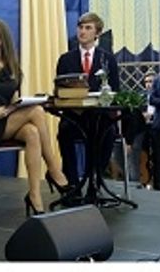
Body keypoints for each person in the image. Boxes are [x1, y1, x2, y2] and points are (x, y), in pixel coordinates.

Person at [0, 18, 73, 215]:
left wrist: (25, 103)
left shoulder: (13, 67)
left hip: (8, 119)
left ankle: (34, 196)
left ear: (3, 36)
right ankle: (55, 170)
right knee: (37, 112)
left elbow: (13, 101)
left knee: (32, 132)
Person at [54, 12, 120, 188]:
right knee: (64, 130)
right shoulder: (65, 59)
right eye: (80, 27)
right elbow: (60, 90)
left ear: (97, 33)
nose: (82, 31)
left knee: (109, 132)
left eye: (88, 28)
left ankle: (95, 177)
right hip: (74, 116)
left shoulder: (108, 59)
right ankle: (72, 183)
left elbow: (115, 91)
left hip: (99, 116)